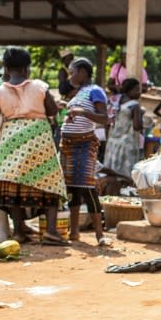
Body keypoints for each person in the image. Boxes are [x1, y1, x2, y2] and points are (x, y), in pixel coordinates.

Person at [0, 47, 68, 246]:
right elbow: (53, 110)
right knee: (49, 182)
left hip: (11, 139)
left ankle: (19, 230)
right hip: (39, 138)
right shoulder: (40, 86)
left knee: (14, 183)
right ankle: (51, 232)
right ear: (27, 68)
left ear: (5, 67)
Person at [59, 57, 111, 246]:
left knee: (87, 187)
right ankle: (74, 233)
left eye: (73, 72)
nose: (71, 76)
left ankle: (99, 235)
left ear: (83, 72)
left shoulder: (95, 91)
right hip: (68, 146)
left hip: (84, 145)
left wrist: (81, 113)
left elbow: (104, 118)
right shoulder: (79, 93)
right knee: (72, 188)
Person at [103, 78, 143, 179]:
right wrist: (142, 120)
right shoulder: (134, 105)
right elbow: (137, 126)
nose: (139, 92)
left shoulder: (113, 101)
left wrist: (107, 138)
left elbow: (106, 122)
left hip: (112, 141)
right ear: (129, 91)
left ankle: (110, 190)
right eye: (137, 90)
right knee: (125, 173)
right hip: (127, 143)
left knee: (111, 171)